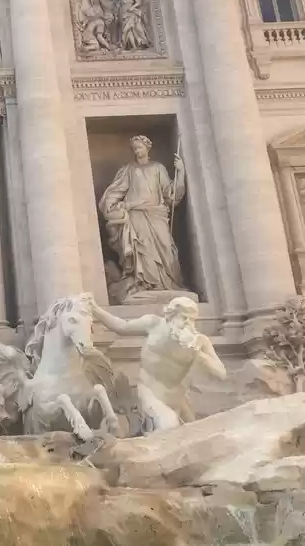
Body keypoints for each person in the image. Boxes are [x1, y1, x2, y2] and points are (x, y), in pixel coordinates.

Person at [90, 296, 226, 432]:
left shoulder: (200, 341)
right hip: (150, 392)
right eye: (183, 317)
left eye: (192, 319)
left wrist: (198, 354)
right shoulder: (153, 324)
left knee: (194, 435)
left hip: (178, 398)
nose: (187, 323)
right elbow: (121, 326)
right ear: (171, 315)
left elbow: (221, 374)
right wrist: (95, 309)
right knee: (169, 424)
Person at [98, 135, 185, 303]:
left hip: (156, 214)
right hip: (136, 215)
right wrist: (117, 207)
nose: (137, 151)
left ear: (147, 148)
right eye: (135, 149)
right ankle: (144, 284)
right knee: (141, 249)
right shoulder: (128, 170)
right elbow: (114, 193)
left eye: (140, 148)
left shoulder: (158, 168)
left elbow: (170, 194)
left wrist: (180, 172)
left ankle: (168, 284)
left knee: (166, 247)